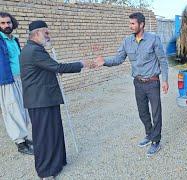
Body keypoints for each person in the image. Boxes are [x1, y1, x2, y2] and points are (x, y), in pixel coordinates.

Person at [19, 20, 95, 179]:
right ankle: (45, 171)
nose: (49, 36)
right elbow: (58, 67)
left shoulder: (34, 49)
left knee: (53, 132)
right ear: (37, 33)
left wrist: (52, 70)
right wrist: (82, 63)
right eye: (46, 33)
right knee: (44, 136)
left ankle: (56, 164)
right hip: (40, 101)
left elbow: (46, 69)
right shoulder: (33, 51)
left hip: (46, 99)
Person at [96, 12, 169, 156]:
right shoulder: (127, 41)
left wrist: (165, 80)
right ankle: (149, 134)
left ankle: (156, 141)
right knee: (142, 112)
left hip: (153, 82)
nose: (130, 26)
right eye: (130, 23)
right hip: (138, 83)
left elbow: (163, 60)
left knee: (156, 113)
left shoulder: (153, 39)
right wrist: (105, 61)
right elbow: (118, 58)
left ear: (141, 24)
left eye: (133, 23)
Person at [0, 12, 33, 155]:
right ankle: (20, 143)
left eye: (8, 22)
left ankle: (25, 138)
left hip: (21, 78)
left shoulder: (14, 40)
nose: (6, 25)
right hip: (6, 80)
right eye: (2, 23)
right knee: (12, 110)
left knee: (23, 109)